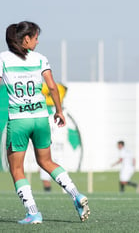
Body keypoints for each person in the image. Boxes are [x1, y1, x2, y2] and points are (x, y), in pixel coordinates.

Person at [0, 21, 90, 224]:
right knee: (47, 162)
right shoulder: (40, 59)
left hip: (19, 121)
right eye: (35, 37)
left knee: (16, 169)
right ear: (25, 39)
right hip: (41, 118)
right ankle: (75, 194)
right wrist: (59, 111)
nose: (38, 41)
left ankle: (33, 213)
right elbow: (52, 87)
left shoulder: (3, 59)